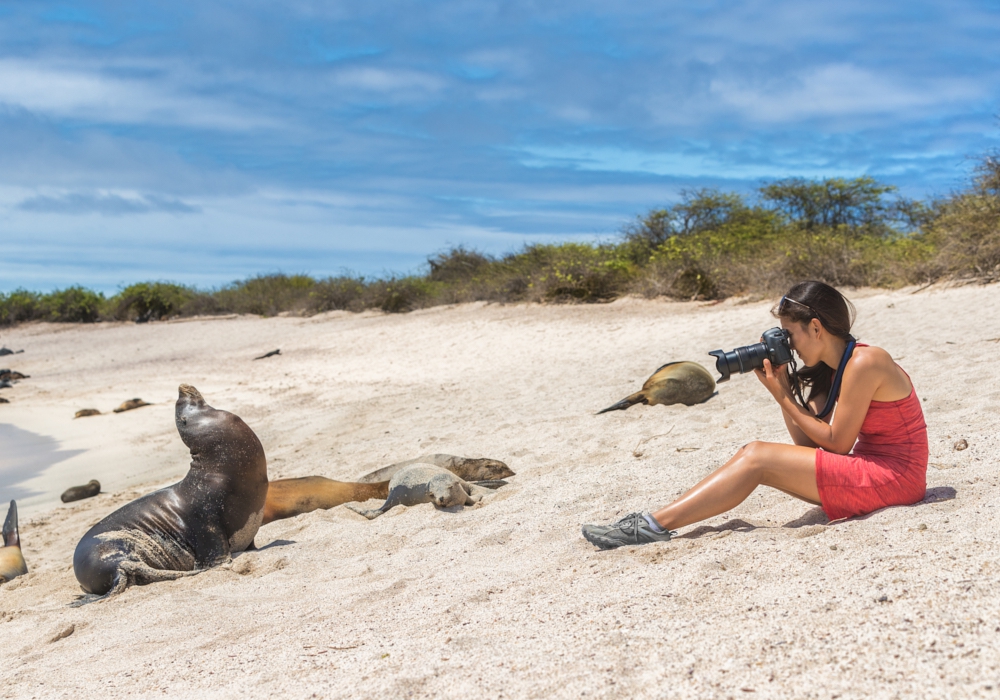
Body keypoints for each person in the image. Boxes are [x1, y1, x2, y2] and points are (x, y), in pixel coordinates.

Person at [581, 280, 928, 549]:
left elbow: (836, 445)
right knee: (755, 454)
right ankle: (651, 522)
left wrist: (783, 396)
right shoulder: (830, 369)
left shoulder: (866, 362)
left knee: (757, 456)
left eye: (791, 336)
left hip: (897, 480)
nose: (789, 345)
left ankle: (652, 525)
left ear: (817, 328)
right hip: (876, 472)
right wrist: (784, 391)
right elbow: (808, 445)